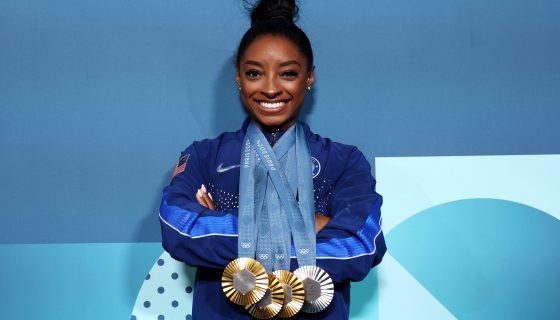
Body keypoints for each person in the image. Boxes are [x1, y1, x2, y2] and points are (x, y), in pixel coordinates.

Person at [159, 0, 386, 318]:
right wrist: (313, 226)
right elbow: (179, 229)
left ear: (309, 78)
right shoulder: (203, 156)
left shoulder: (344, 161)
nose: (269, 88)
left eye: (288, 73)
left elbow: (359, 246)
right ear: (239, 77)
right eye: (254, 73)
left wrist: (223, 227)